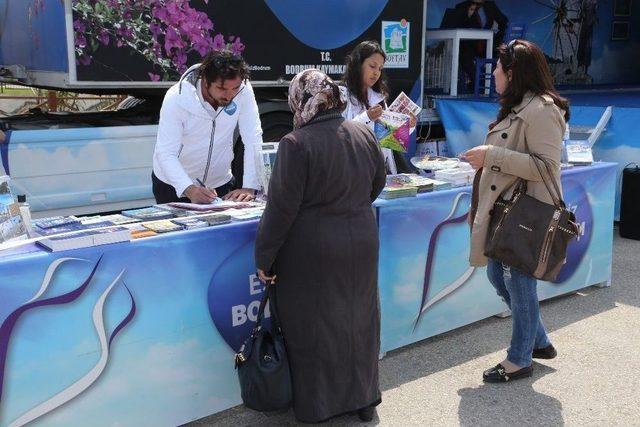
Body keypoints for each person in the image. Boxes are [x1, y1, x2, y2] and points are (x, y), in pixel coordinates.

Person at [254, 69, 386, 423]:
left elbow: (281, 209)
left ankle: (318, 408)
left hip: (311, 251)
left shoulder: (296, 144)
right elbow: (378, 182)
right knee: (360, 320)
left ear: (300, 99)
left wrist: (264, 257)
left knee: (314, 327)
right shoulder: (362, 133)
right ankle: (364, 398)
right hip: (361, 240)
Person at [464, 39, 570, 382]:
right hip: (507, 212)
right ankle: (538, 341)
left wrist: (490, 156)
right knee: (498, 275)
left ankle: (519, 358)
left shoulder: (543, 110)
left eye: (498, 68)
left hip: (526, 215)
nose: (493, 73)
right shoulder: (519, 105)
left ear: (513, 73)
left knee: (519, 284)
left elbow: (546, 167)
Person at [152, 50, 262, 204]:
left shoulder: (243, 90)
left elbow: (253, 138)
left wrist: (250, 186)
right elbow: (165, 153)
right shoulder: (176, 97)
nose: (230, 96)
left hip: (220, 183)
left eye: (235, 88)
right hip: (173, 185)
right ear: (205, 80)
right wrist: (189, 189)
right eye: (222, 89)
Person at [340, 40, 415, 174]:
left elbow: (389, 139)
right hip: (355, 172)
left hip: (381, 171)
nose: (376, 73)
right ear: (358, 64)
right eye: (372, 66)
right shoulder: (341, 94)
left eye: (380, 68)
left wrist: (407, 126)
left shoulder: (378, 97)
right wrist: (366, 117)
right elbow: (341, 134)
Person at [442, 0, 508, 93]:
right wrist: (468, 16)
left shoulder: (489, 4)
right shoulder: (462, 6)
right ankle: (477, 83)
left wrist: (496, 36)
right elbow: (457, 25)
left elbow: (503, 21)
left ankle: (481, 85)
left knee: (470, 55)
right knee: (463, 54)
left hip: (489, 45)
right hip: (470, 44)